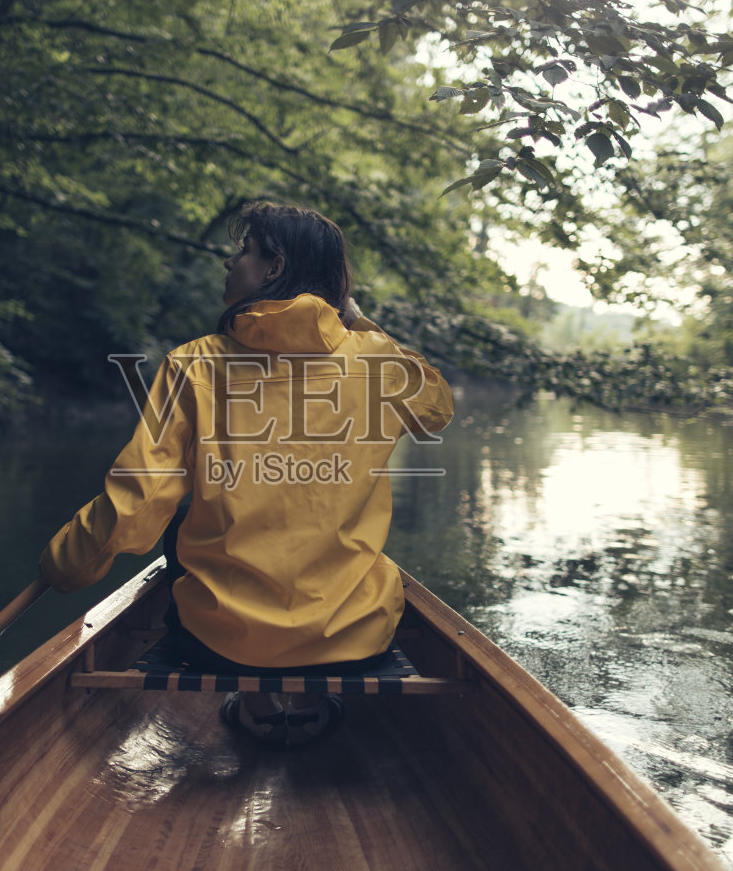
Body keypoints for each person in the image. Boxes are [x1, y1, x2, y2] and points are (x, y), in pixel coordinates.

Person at [38, 200, 454, 745]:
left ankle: (255, 702)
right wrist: (357, 321)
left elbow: (139, 501)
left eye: (244, 251)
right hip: (351, 635)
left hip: (223, 641)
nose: (229, 262)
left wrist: (65, 565)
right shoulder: (377, 362)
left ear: (274, 267)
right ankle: (310, 702)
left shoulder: (194, 362)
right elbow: (436, 406)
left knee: (179, 523)